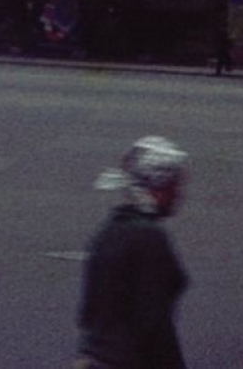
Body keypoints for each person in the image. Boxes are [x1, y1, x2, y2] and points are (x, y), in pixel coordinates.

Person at [74, 136, 191, 369]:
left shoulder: (110, 229)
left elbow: (87, 312)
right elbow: (154, 322)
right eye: (175, 185)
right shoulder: (149, 238)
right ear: (158, 188)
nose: (180, 194)